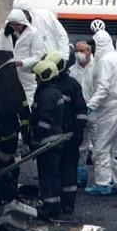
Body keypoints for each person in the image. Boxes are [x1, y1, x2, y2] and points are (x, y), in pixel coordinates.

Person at [84, 29, 117, 196]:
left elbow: (104, 88)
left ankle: (103, 182)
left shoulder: (106, 61)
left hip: (111, 107)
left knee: (101, 144)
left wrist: (90, 105)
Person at [28, 58, 69, 218]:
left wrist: (35, 138)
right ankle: (54, 205)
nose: (36, 80)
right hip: (55, 140)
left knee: (48, 176)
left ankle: (50, 208)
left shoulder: (46, 95)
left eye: (37, 76)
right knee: (53, 174)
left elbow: (44, 122)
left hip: (48, 142)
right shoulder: (55, 92)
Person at [50, 51, 87, 215]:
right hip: (55, 136)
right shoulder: (50, 85)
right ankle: (58, 204)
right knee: (56, 170)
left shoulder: (71, 85)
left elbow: (81, 110)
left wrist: (78, 132)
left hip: (68, 135)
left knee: (68, 169)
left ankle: (67, 204)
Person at [0, 8, 50, 101]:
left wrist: (22, 62)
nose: (15, 27)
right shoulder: (4, 33)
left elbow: (38, 56)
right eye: (12, 25)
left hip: (26, 77)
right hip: (7, 76)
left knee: (27, 103)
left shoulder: (33, 33)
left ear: (23, 23)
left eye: (17, 25)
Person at [69, 40, 97, 182]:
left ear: (89, 51)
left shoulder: (97, 67)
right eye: (76, 51)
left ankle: (102, 178)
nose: (79, 54)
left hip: (95, 113)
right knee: (81, 146)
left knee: (99, 146)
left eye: (82, 50)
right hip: (79, 114)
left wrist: (93, 106)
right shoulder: (73, 71)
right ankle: (81, 175)